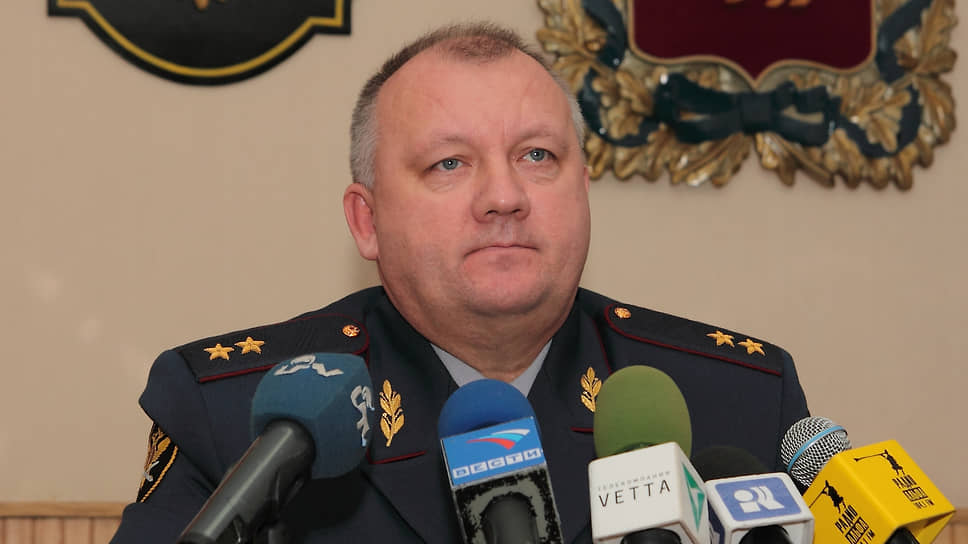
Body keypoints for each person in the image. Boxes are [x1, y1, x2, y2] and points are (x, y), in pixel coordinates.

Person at [112, 22, 809, 543]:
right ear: (367, 221)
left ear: (583, 190)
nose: (504, 197)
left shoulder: (738, 403)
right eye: (449, 164)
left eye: (538, 155)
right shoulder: (242, 421)